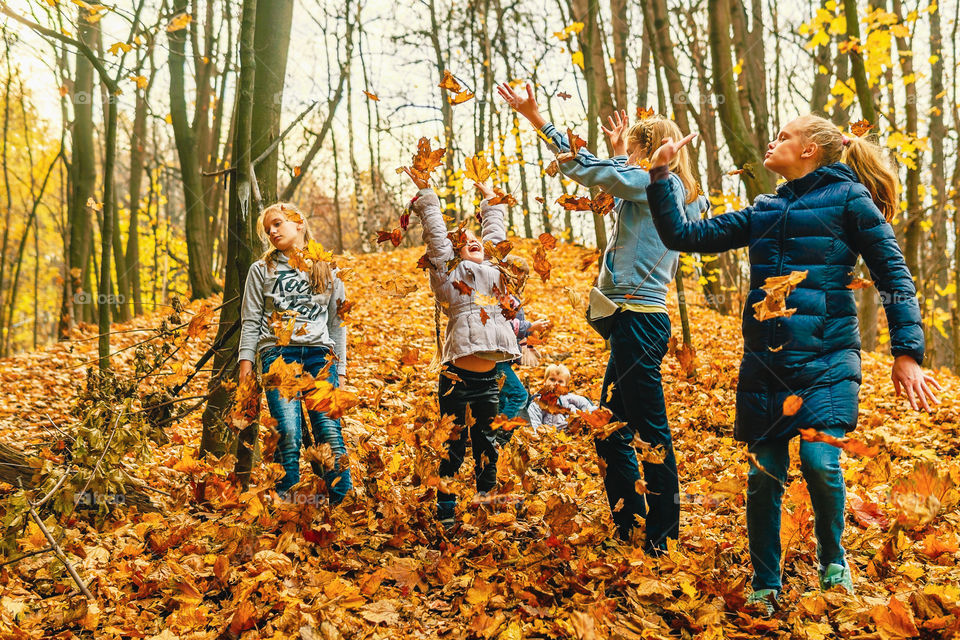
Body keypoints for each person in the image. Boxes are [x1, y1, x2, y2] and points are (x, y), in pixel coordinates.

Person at [644, 114, 940, 613]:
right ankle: (766, 581)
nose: (771, 140)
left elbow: (894, 275)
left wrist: (907, 354)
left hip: (827, 356)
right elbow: (683, 237)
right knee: (764, 474)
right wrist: (659, 178)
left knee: (820, 462)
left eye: (783, 136)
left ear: (810, 151)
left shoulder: (850, 200)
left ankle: (833, 559)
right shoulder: (764, 208)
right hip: (767, 361)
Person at [499, 81, 706, 552]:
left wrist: (536, 119)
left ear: (651, 152)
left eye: (634, 149)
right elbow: (620, 185)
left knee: (650, 432)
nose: (628, 158)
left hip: (637, 322)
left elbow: (590, 172)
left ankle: (662, 536)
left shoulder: (659, 182)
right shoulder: (678, 189)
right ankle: (631, 525)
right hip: (635, 321)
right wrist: (622, 154)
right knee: (610, 428)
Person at [405, 168, 521, 528]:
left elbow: (496, 235)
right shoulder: (450, 279)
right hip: (455, 380)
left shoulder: (497, 274)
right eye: (465, 241)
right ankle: (446, 510)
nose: (475, 241)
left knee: (487, 445)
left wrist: (491, 201)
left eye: (477, 239)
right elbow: (438, 238)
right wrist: (427, 195)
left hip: (489, 381)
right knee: (454, 447)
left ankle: (486, 502)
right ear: (454, 255)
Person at [237, 202, 352, 505]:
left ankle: (337, 503)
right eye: (267, 229)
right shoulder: (261, 270)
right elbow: (250, 320)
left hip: (320, 356)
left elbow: (337, 323)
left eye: (277, 224)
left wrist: (340, 369)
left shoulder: (328, 267)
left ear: (298, 222)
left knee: (328, 428)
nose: (272, 232)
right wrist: (246, 365)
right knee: (287, 431)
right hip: (278, 355)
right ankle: (288, 504)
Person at [494, 256, 550, 444]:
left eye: (523, 277)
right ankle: (500, 433)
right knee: (519, 394)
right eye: (517, 274)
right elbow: (506, 324)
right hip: (496, 356)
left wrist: (529, 347)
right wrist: (531, 325)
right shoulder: (500, 294)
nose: (520, 280)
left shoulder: (514, 297)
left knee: (502, 397)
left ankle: (496, 438)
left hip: (503, 355)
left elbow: (517, 333)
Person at [527, 363, 596, 430]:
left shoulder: (569, 397)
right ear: (545, 381)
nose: (556, 384)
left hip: (571, 428)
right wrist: (538, 432)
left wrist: (586, 417)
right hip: (551, 433)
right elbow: (535, 421)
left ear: (566, 386)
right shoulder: (538, 402)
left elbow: (584, 403)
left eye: (560, 382)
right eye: (552, 379)